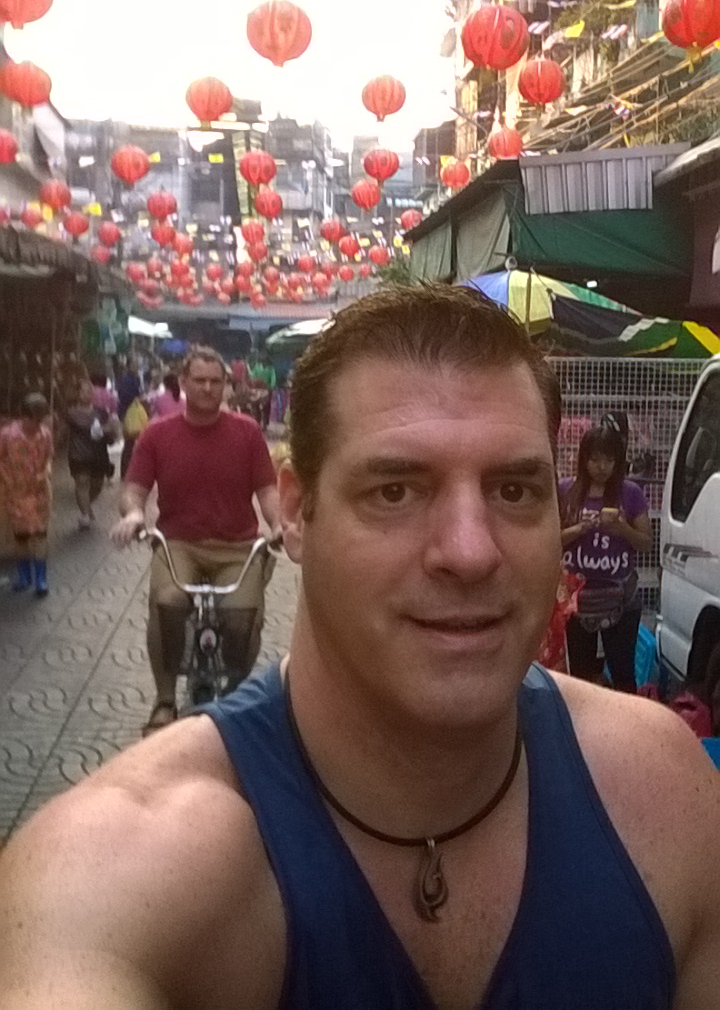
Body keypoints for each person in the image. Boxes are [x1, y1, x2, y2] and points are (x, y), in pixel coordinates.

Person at [1, 286, 719, 1010]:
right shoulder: (123, 870)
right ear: (297, 513)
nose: (470, 552)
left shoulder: (661, 794)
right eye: (395, 491)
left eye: (513, 490)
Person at [109, 345, 281, 735]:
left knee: (243, 615)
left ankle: (236, 688)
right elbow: (134, 489)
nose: (207, 388)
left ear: (226, 386)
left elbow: (268, 490)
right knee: (166, 603)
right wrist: (134, 514)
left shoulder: (247, 432)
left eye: (215, 381)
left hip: (237, 547)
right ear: (183, 383)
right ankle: (165, 698)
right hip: (178, 545)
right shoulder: (157, 434)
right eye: (199, 380)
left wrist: (278, 525)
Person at [560, 425, 653, 692]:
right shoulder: (566, 490)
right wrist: (578, 530)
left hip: (622, 599)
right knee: (580, 676)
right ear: (584, 459)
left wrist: (622, 529)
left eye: (609, 460)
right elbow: (550, 540)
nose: (602, 467)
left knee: (623, 674)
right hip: (577, 600)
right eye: (595, 459)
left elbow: (646, 544)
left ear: (618, 461)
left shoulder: (630, 492)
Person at [0, 393, 53, 597]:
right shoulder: (7, 435)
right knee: (21, 537)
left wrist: (46, 471)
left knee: (40, 535)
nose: (38, 425)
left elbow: (49, 457)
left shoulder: (45, 434)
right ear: (24, 416)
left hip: (39, 494)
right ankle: (24, 576)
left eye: (40, 420)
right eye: (34, 420)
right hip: (15, 495)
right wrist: (8, 479)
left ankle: (41, 579)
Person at [66, 380, 120, 529]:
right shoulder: (71, 413)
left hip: (98, 454)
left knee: (97, 485)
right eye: (83, 391)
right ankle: (85, 515)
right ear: (77, 393)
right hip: (78, 454)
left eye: (89, 391)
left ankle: (86, 505)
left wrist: (112, 431)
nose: (87, 394)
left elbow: (110, 432)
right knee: (82, 482)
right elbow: (72, 429)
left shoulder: (101, 412)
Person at [248, 347, 276, 431]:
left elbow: (273, 379)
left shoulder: (270, 368)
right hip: (257, 389)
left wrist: (270, 387)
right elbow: (253, 376)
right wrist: (254, 382)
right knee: (255, 405)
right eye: (262, 361)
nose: (263, 362)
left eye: (265, 361)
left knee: (266, 407)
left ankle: (265, 423)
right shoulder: (257, 366)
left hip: (266, 389)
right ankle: (257, 422)